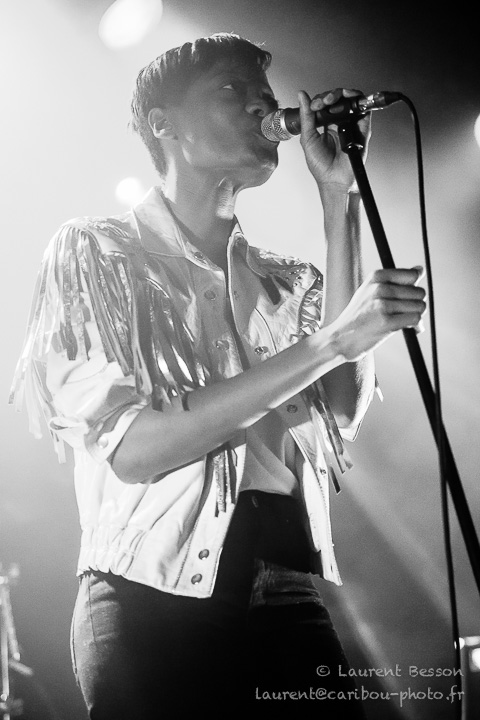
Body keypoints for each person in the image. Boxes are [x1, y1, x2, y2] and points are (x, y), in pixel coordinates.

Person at [10, 33, 426, 718]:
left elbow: (342, 409)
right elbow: (135, 449)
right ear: (162, 124)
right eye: (233, 91)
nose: (262, 106)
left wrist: (339, 199)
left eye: (265, 93)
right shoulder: (98, 252)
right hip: (152, 599)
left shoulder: (287, 280)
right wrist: (330, 341)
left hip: (287, 588)